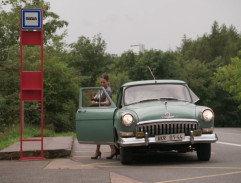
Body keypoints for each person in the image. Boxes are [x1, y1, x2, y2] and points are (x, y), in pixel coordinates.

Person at [89, 74, 118, 159]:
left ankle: (103, 151)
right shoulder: (100, 90)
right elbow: (93, 100)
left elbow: (107, 102)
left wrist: (97, 103)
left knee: (103, 131)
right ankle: (108, 150)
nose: (102, 84)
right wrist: (91, 95)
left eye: (104, 82)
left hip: (106, 113)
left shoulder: (108, 90)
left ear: (108, 82)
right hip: (100, 113)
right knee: (101, 132)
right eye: (101, 82)